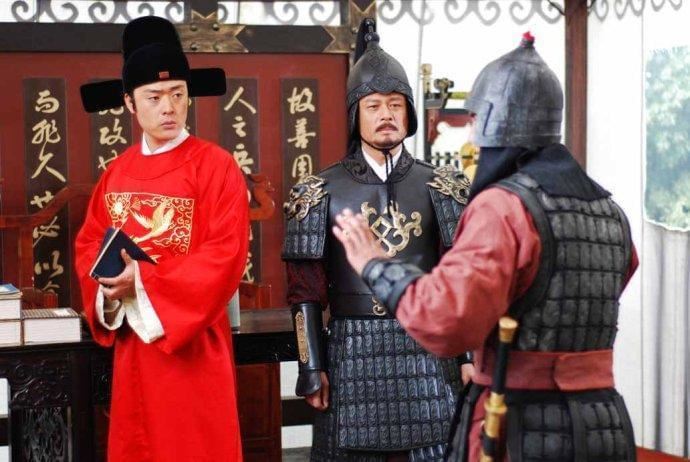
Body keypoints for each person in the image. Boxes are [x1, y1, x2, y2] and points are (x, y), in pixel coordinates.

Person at [333, 32, 638, 461]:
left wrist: (375, 265)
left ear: (494, 120)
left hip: (522, 424)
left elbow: (448, 320)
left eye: (475, 121)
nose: (473, 134)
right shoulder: (609, 210)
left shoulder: (504, 208)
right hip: (603, 423)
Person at [282, 18, 472, 461]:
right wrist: (311, 365)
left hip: (428, 350)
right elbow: (304, 293)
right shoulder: (318, 191)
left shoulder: (444, 186)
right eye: (373, 106)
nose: (386, 115)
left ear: (408, 113)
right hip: (351, 351)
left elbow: (459, 283)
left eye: (394, 105)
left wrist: (468, 357)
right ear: (356, 115)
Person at [75, 16, 248, 462]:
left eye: (177, 94)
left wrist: (143, 282)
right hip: (135, 349)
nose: (168, 107)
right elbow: (90, 243)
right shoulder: (117, 173)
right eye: (154, 97)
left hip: (194, 347)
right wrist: (109, 286)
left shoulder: (216, 167)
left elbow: (225, 254)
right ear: (130, 104)